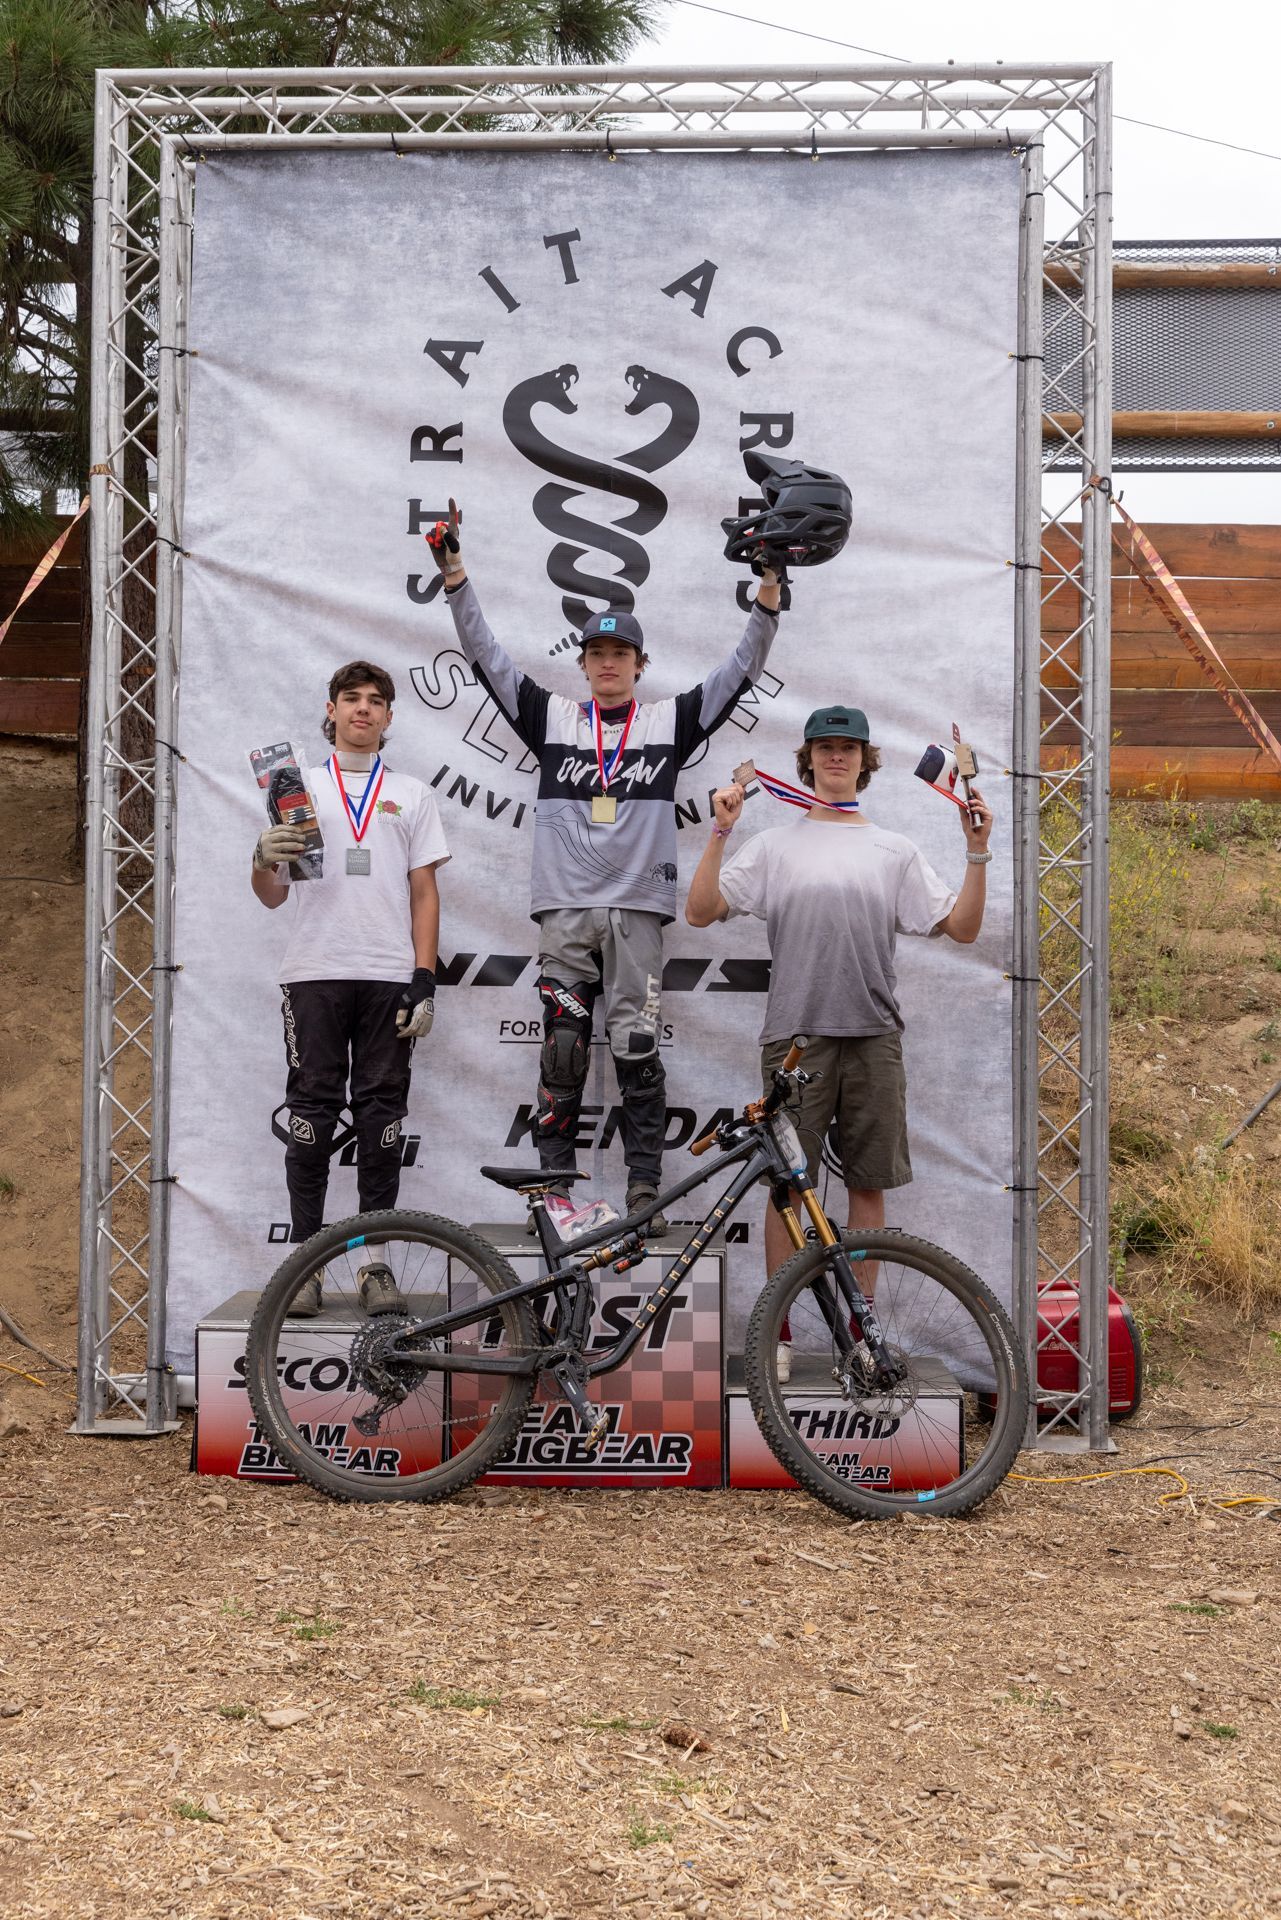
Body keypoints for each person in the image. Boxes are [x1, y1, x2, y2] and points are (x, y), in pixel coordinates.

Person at [425, 501, 782, 1230]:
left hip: (637, 911)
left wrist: (769, 592)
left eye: (621, 654)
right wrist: (455, 575)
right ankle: (555, 1195)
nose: (608, 663)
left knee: (637, 1049)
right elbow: (485, 657)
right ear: (583, 663)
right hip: (564, 909)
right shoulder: (551, 717)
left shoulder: (668, 722)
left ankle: (645, 1190)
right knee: (561, 1051)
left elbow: (741, 669)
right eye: (597, 653)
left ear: (639, 665)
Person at [684, 704, 993, 1373]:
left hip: (873, 1038)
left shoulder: (893, 849)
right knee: (788, 1191)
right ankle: (778, 1334)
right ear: (807, 760)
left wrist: (976, 851)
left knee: (867, 1188)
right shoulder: (774, 846)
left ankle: (861, 1335)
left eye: (847, 748)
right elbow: (700, 911)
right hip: (795, 1041)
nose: (835, 756)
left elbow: (964, 929)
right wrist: (721, 830)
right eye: (823, 747)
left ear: (863, 761)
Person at [251, 661, 450, 1314]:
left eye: (375, 700)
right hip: (314, 970)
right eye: (351, 698)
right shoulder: (296, 787)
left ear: (389, 716)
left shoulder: (412, 794)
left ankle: (374, 1265)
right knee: (311, 1116)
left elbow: (424, 892)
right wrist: (261, 858)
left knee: (381, 1119)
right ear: (331, 710)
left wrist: (424, 978)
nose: (363, 709)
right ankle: (305, 1265)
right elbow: (272, 895)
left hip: (389, 975)